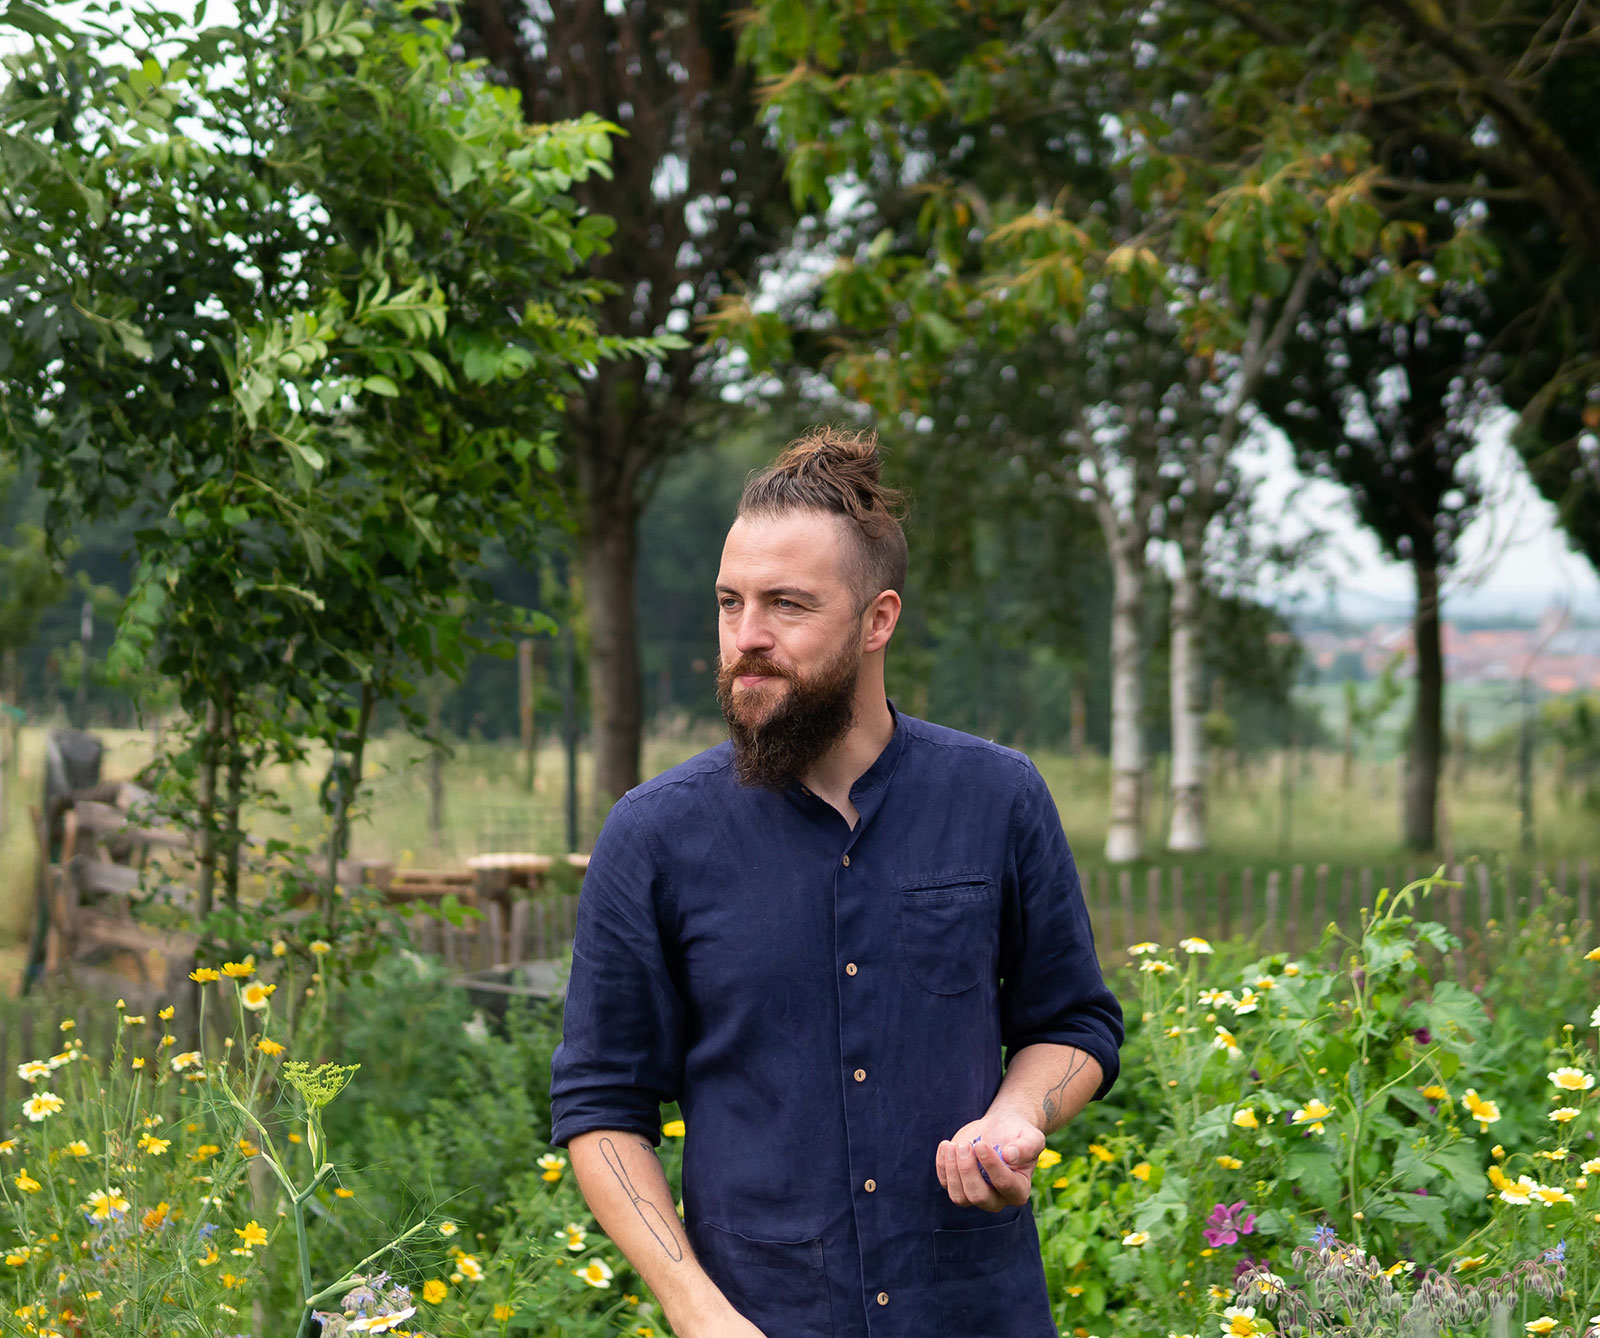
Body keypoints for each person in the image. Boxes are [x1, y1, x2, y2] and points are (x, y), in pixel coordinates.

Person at [549, 427, 1124, 1338]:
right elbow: (600, 1105)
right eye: (729, 604)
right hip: (763, 1317)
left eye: (787, 605)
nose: (748, 639)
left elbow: (1074, 1023)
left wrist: (1019, 1114)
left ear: (878, 620)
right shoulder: (654, 834)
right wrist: (696, 1311)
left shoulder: (997, 797)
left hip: (973, 1310)